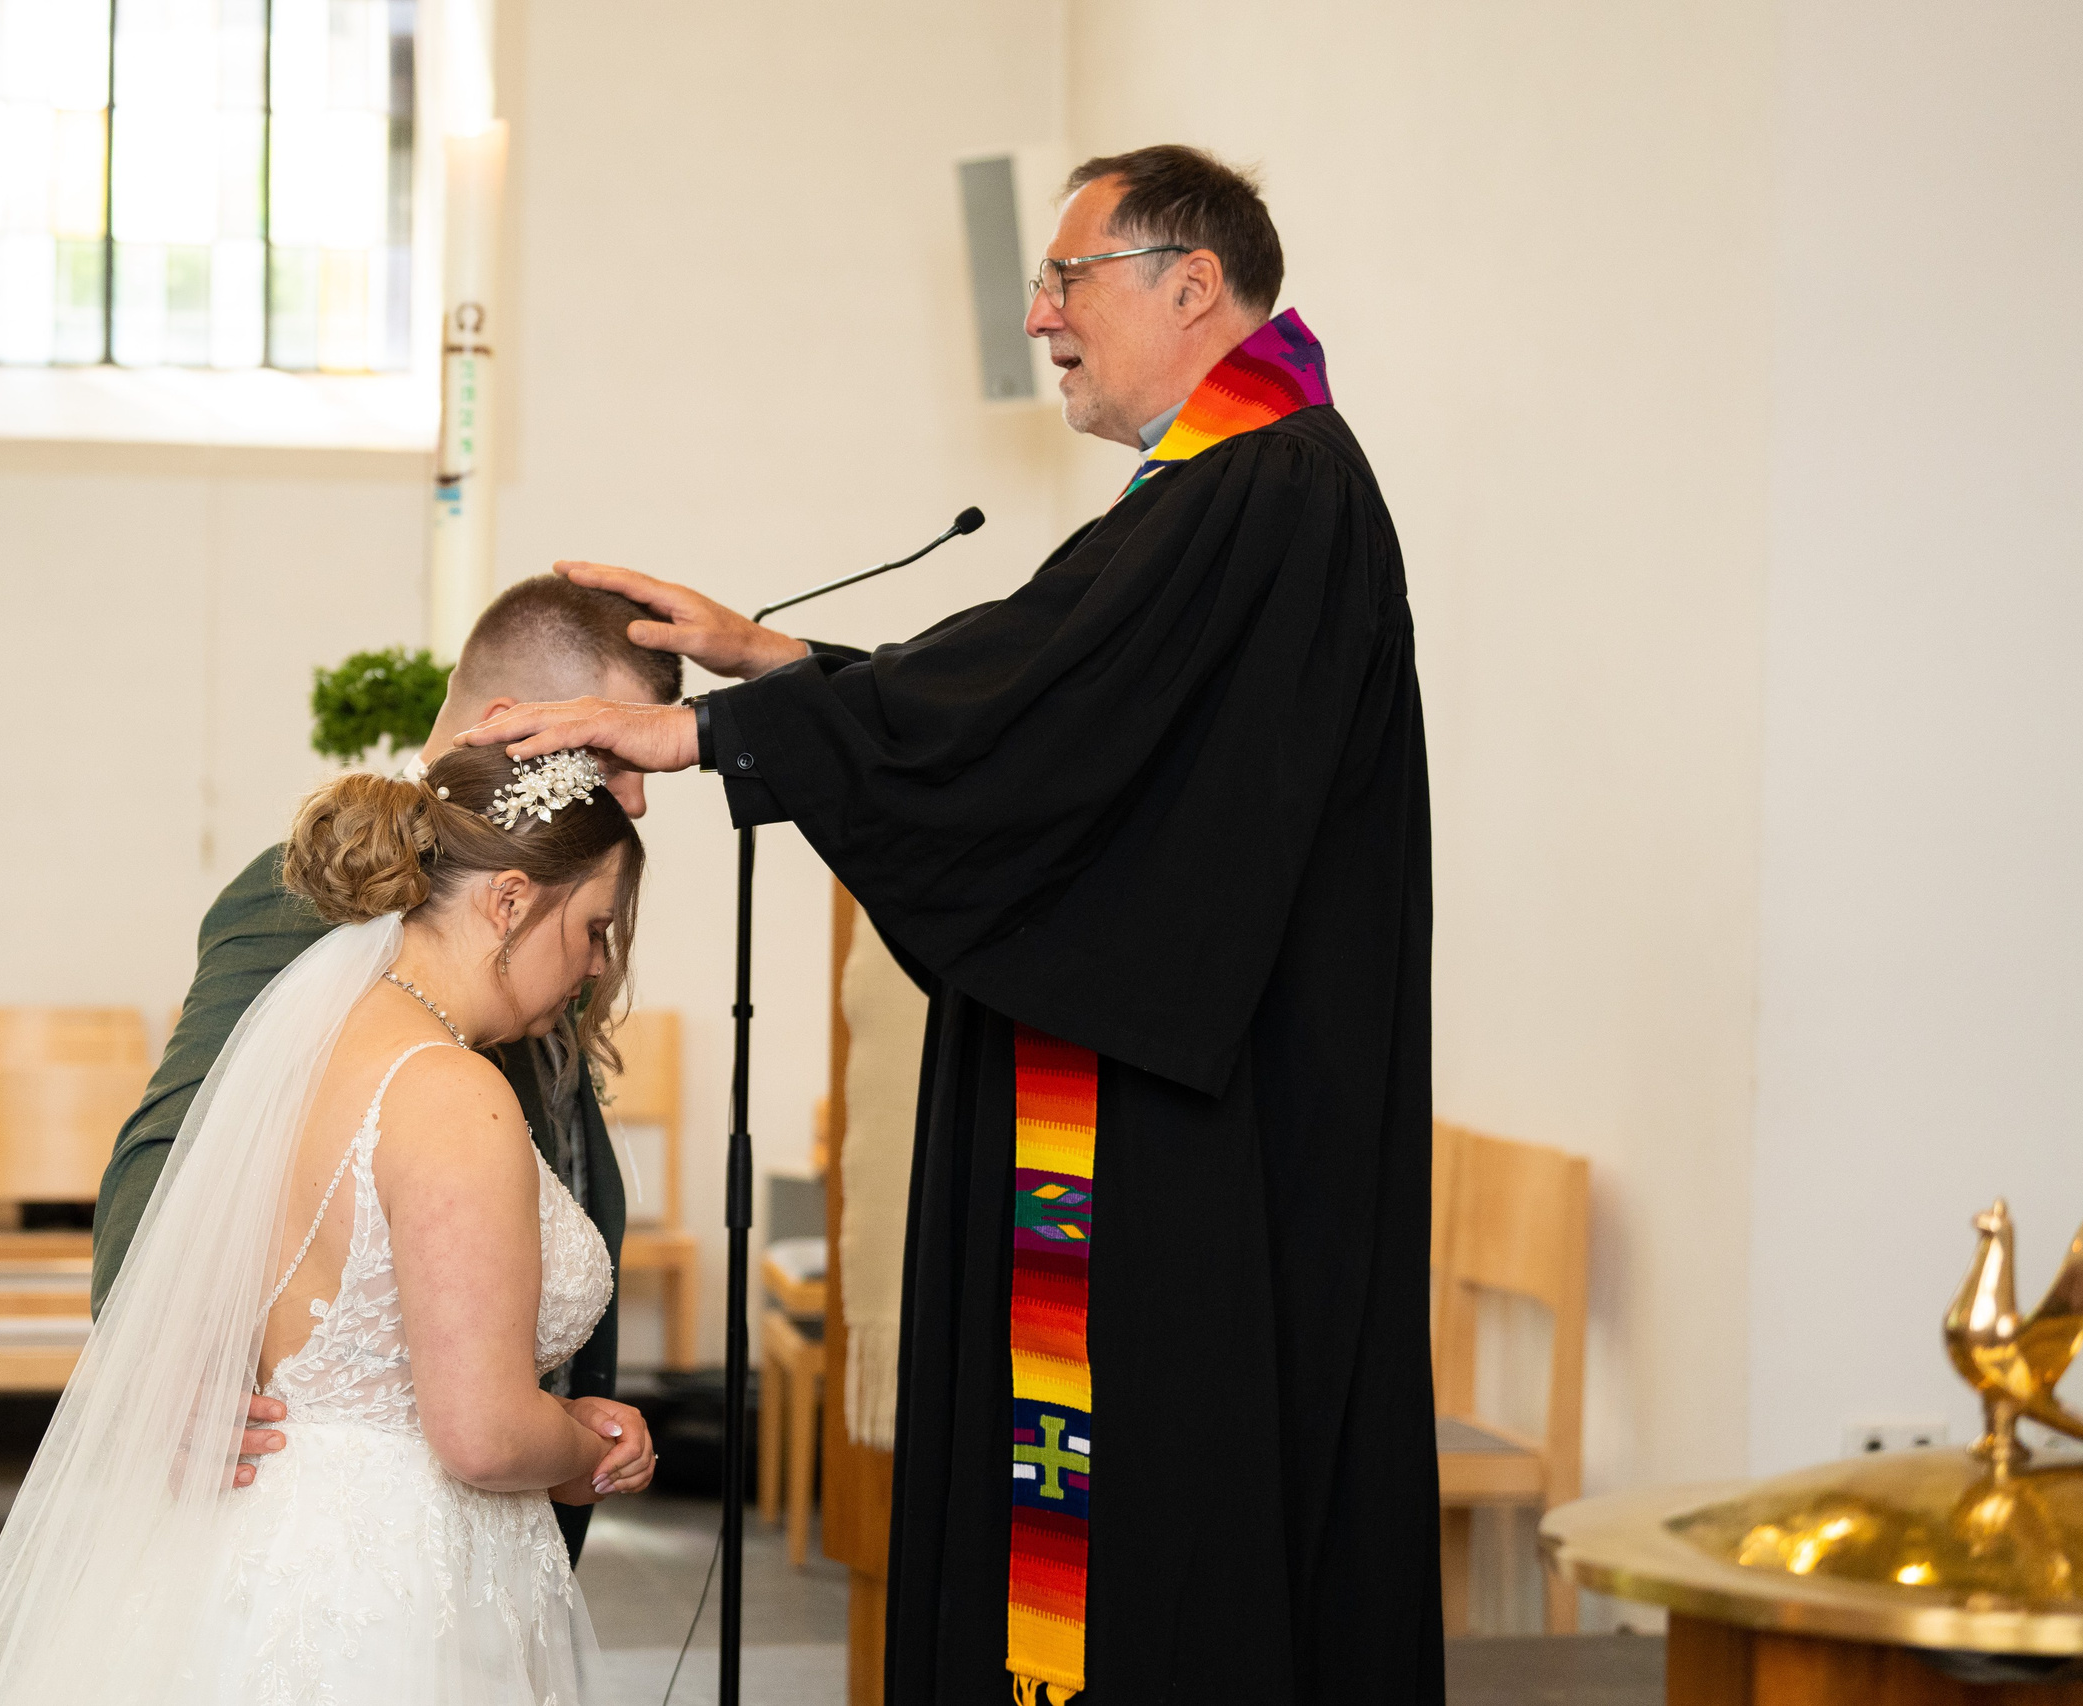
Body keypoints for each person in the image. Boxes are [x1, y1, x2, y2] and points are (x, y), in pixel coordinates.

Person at [466, 145, 1439, 1704]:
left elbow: (1039, 724)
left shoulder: (1268, 486)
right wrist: (771, 665)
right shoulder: (1237, 488)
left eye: (1068, 278)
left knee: (1163, 1546)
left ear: (1193, 284)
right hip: (1170, 1121)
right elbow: (1044, 710)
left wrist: (712, 732)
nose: (1040, 314)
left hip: (1193, 1156)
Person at [0, 745, 656, 1706]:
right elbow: (479, 1435)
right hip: (390, 1582)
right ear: (510, 901)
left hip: (270, 1532)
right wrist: (588, 1449)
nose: (597, 965)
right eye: (595, 927)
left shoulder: (315, 1041)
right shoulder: (452, 1092)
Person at [91, 575, 681, 1562]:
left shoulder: (538, 893)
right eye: (610, 748)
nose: (638, 792)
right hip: (374, 1505)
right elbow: (180, 1131)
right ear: (508, 722)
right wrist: (168, 1364)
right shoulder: (316, 901)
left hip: (503, 1451)